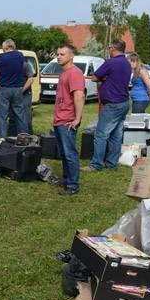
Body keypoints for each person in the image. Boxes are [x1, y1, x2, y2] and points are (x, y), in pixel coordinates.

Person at [84, 40, 132, 172]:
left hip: (112, 104)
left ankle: (96, 164)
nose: (109, 50)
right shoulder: (126, 63)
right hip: (123, 102)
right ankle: (111, 163)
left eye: (110, 48)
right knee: (116, 136)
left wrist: (104, 79)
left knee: (101, 134)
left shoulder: (111, 62)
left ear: (113, 49)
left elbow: (94, 77)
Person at [53, 45, 85, 196]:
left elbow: (79, 96)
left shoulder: (75, 73)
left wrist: (77, 119)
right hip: (59, 119)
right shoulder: (64, 73)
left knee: (70, 153)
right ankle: (67, 180)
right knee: (64, 153)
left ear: (71, 56)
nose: (59, 57)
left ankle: (73, 185)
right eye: (58, 54)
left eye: (62, 54)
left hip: (67, 120)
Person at [0, 39, 29, 138]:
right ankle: (24, 137)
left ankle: (2, 139)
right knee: (20, 114)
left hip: (5, 88)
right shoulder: (20, 55)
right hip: (17, 88)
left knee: (2, 116)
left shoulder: (1, 57)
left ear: (5, 47)